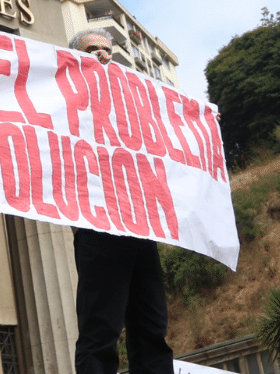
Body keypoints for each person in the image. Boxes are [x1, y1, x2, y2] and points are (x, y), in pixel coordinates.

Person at [69, 29, 174, 374]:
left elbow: (170, 127)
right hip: (99, 226)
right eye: (92, 49)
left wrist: (200, 121)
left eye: (107, 49)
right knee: (101, 331)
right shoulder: (63, 97)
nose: (102, 54)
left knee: (152, 327)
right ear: (75, 57)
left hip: (140, 225)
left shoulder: (133, 100)